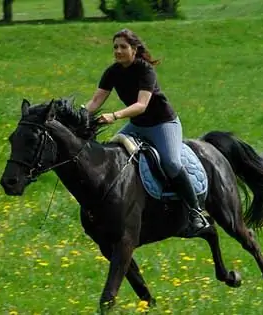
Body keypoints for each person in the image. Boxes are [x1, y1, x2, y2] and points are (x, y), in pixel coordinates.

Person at [83, 28, 210, 236]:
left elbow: (141, 105)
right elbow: (96, 101)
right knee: (114, 153)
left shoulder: (145, 71)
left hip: (163, 124)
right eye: (115, 47)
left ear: (134, 49)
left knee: (171, 162)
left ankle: (196, 212)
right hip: (138, 126)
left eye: (123, 47)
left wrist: (114, 116)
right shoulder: (112, 72)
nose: (118, 51)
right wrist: (79, 114)